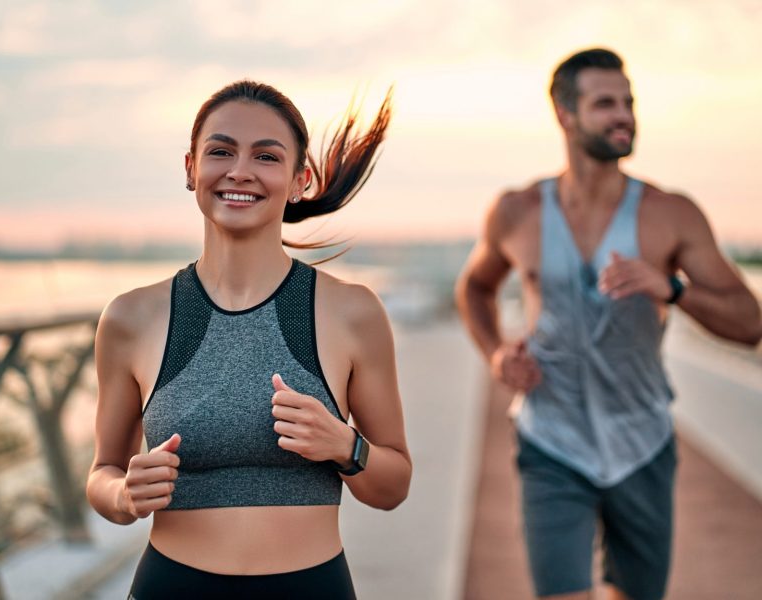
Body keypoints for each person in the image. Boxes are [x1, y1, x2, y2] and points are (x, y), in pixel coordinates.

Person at [456, 48, 762, 600]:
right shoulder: (517, 211)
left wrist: (671, 288)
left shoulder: (671, 214)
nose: (623, 115)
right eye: (605, 104)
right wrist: (497, 353)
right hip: (549, 438)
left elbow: (749, 323)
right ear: (565, 115)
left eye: (628, 102)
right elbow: (474, 288)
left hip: (641, 440)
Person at [86, 80, 411, 599]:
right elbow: (102, 472)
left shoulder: (352, 312)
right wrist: (123, 494)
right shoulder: (131, 317)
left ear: (299, 179)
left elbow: (393, 485)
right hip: (172, 586)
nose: (240, 171)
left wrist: (345, 446)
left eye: (265, 155)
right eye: (220, 151)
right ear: (191, 168)